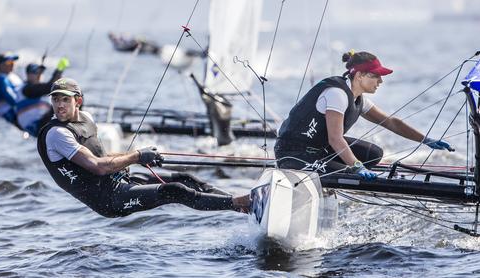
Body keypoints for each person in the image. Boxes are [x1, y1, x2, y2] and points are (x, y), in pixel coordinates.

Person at [37, 77, 250, 218]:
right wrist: (137, 156)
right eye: (56, 100)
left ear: (78, 101)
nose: (59, 105)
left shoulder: (86, 118)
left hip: (119, 181)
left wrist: (139, 156)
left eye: (65, 99)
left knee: (186, 179)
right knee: (175, 191)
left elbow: (102, 156)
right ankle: (238, 202)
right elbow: (97, 166)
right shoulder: (57, 134)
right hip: (109, 200)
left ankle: (238, 205)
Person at [274, 50, 454, 180]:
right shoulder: (336, 94)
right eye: (376, 76)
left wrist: (426, 140)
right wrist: (356, 167)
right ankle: (324, 179)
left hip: (319, 149)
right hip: (293, 152)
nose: (381, 81)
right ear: (359, 75)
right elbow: (336, 139)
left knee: (374, 154)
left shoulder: (358, 98)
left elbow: (391, 122)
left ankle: (330, 173)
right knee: (353, 175)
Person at [16, 58, 69, 137]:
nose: (39, 75)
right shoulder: (26, 89)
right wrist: (59, 70)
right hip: (38, 127)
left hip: (42, 125)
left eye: (40, 72)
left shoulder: (37, 88)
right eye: (35, 72)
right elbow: (49, 87)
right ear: (27, 75)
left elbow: (49, 86)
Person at [0, 52, 23, 128]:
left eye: (13, 61)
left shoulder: (12, 77)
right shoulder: (0, 79)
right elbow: (11, 98)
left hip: (20, 113)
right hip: (14, 115)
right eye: (9, 62)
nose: (12, 64)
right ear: (0, 65)